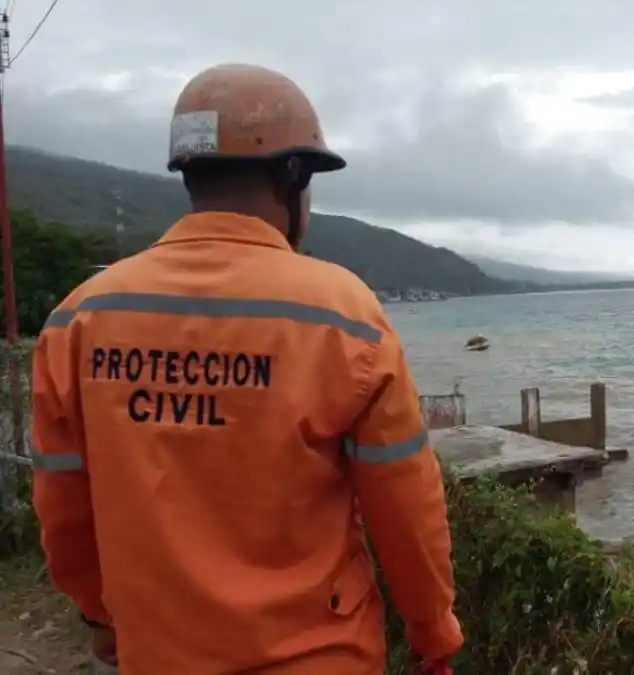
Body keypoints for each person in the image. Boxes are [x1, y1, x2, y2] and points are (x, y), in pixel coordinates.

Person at [29, 63, 462, 674]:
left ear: (190, 174)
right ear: (291, 173)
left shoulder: (78, 320)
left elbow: (63, 502)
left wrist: (101, 616)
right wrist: (433, 632)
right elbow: (405, 505)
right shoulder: (345, 316)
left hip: (159, 652)